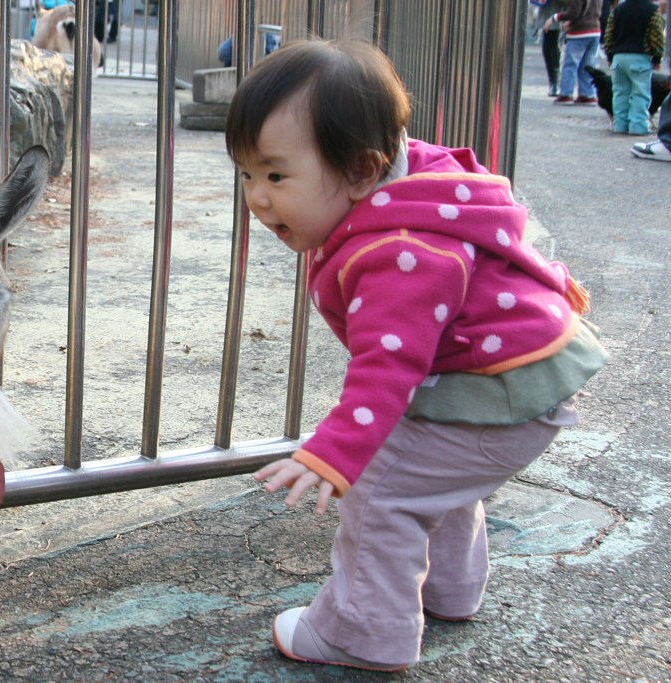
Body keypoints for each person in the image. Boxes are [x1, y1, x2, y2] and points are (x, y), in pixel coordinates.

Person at [224, 40, 607, 673]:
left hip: (499, 391)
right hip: (507, 383)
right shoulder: (406, 183)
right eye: (247, 174)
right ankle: (448, 588)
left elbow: (387, 369)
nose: (257, 199)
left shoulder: (402, 251)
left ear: (363, 170)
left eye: (275, 175)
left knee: (381, 489)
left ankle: (360, 633)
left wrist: (333, 452)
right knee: (431, 467)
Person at [603, 0, 665, 134]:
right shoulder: (652, 10)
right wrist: (657, 57)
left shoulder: (618, 9)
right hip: (639, 58)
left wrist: (609, 55)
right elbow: (657, 36)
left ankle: (619, 125)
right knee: (640, 94)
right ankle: (638, 126)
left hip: (618, 57)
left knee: (620, 93)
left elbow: (608, 34)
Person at [544, 0, 604, 103]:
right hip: (595, 31)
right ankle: (587, 94)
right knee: (588, 65)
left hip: (579, 32)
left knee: (570, 65)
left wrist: (554, 18)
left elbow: (574, 13)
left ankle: (566, 94)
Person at [533, 0, 565, 96]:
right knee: (549, 47)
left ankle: (559, 83)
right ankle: (554, 82)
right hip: (550, 11)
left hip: (569, 12)